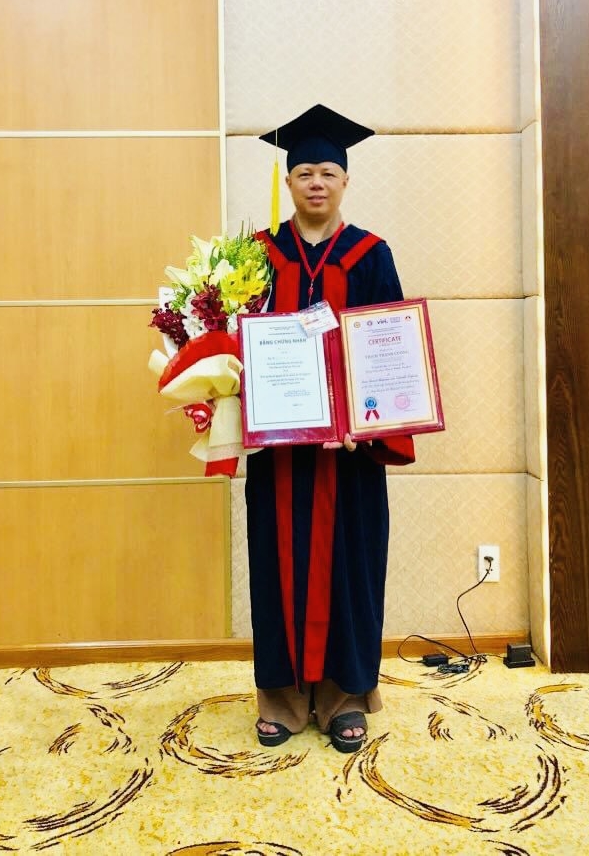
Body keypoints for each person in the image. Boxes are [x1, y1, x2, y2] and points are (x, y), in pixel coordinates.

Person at [246, 104, 415, 754]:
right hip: (281, 457)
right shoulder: (257, 256)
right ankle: (283, 699)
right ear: (288, 181)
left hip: (349, 456)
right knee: (277, 568)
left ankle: (346, 698)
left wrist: (367, 424)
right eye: (305, 172)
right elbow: (234, 345)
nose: (316, 182)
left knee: (351, 569)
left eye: (328, 172)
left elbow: (391, 350)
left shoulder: (371, 255)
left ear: (345, 181)